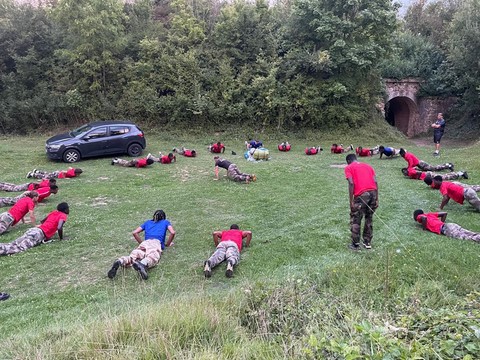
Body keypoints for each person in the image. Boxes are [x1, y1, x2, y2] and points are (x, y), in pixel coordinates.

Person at [107, 210, 176, 280]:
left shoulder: (147, 222)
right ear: (164, 217)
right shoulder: (165, 222)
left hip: (145, 243)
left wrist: (141, 243)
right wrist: (167, 244)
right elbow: (172, 232)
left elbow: (135, 232)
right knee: (153, 256)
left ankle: (120, 261)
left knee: (134, 255)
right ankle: (142, 264)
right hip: (155, 242)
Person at [0, 202, 69, 256]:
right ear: (65, 209)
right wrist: (61, 238)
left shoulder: (54, 212)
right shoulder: (63, 215)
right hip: (38, 234)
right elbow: (59, 227)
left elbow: (42, 221)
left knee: (13, 243)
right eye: (68, 208)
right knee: (19, 248)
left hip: (34, 230)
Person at [345, 154, 378, 250]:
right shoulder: (368, 166)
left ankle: (355, 244)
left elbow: (351, 183)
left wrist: (351, 201)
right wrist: (377, 199)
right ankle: (367, 242)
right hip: (373, 193)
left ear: (348, 161)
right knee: (369, 218)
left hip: (361, 195)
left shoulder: (349, 168)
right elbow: (375, 182)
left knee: (356, 219)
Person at [413, 210, 479, 243]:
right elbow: (444, 213)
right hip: (450, 225)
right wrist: (442, 222)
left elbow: (424, 218)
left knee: (465, 237)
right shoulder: (430, 214)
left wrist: (424, 229)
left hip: (445, 228)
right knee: (469, 232)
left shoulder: (420, 216)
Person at [401, 167, 468, 181]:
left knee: (444, 178)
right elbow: (415, 168)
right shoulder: (410, 170)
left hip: (428, 175)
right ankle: (457, 173)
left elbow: (419, 172)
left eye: (404, 172)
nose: (404, 174)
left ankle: (461, 173)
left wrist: (418, 178)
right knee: (444, 176)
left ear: (406, 171)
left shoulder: (410, 172)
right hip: (428, 174)